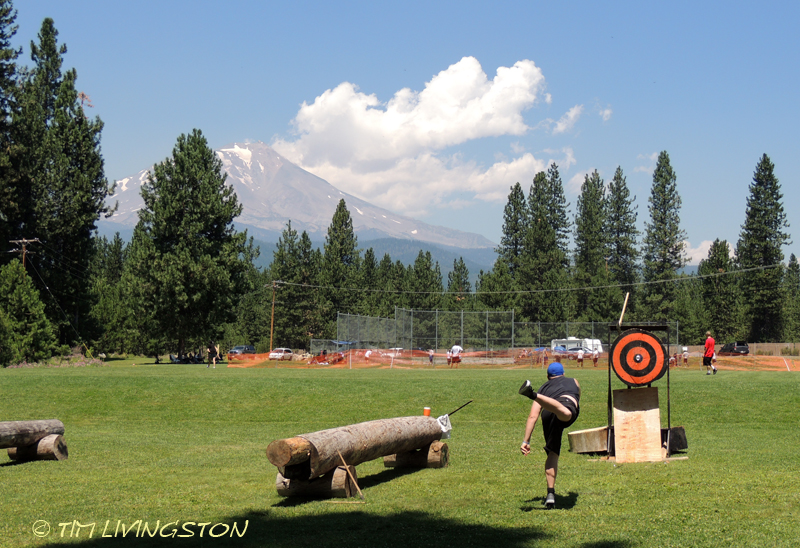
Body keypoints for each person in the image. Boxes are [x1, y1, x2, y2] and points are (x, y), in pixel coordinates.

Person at [519, 362, 581, 509]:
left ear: (548, 376)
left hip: (548, 414)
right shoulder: (573, 381)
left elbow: (533, 416)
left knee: (553, 453)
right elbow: (577, 397)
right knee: (565, 413)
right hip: (566, 405)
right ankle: (532, 395)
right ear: (563, 373)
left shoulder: (544, 387)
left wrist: (526, 441)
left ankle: (550, 494)